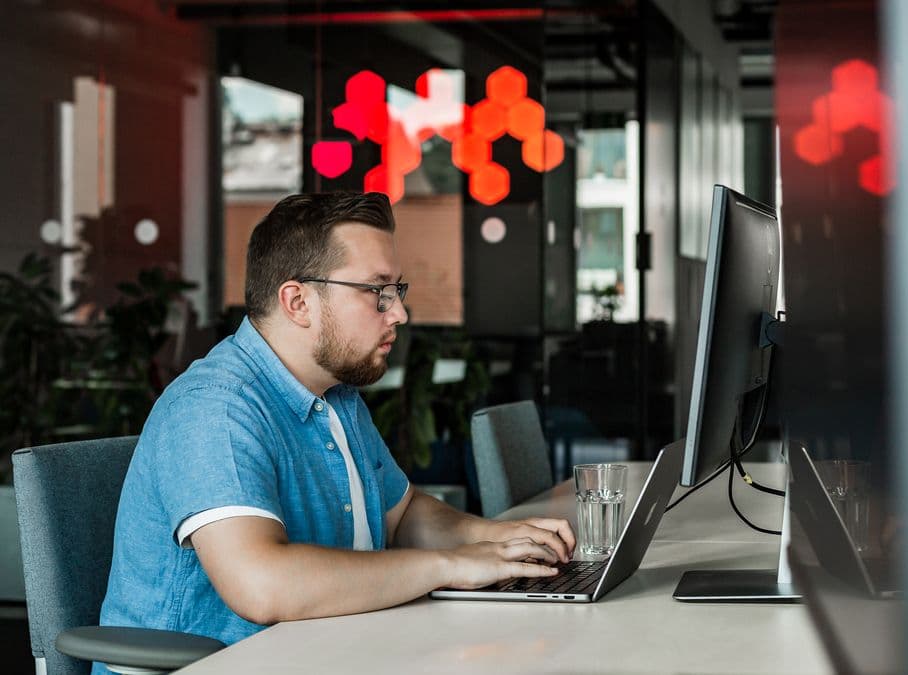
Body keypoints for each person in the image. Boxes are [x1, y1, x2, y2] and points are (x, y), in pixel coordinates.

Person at [98, 192, 573, 662]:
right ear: (298, 301)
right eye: (377, 292)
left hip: (328, 652)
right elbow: (262, 586)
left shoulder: (335, 395)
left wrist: (497, 541)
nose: (399, 314)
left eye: (396, 292)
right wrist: (450, 566)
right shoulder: (215, 408)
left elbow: (403, 516)